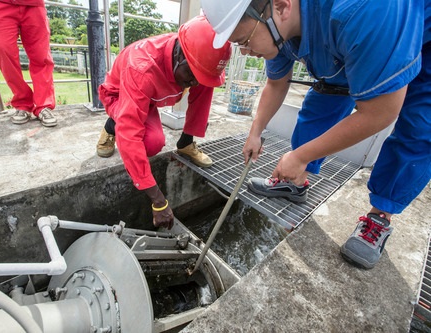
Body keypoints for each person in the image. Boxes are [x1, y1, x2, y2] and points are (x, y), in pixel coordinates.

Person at [201, 0, 431, 269]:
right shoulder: (279, 27)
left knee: (419, 127)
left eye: (244, 41)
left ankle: (380, 215)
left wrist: (300, 155)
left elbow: (380, 112)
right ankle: (296, 182)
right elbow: (276, 84)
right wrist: (255, 132)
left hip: (417, 36)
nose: (246, 52)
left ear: (282, 7)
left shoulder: (365, 9)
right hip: (348, 38)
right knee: (321, 101)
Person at [96, 15, 232, 230]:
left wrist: (198, 78)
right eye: (191, 74)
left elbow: (200, 81)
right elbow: (130, 137)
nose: (193, 83)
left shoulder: (194, 55)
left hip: (146, 98)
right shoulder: (141, 68)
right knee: (151, 143)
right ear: (178, 54)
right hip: (121, 94)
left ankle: (186, 142)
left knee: (206, 82)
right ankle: (113, 124)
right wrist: (158, 201)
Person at [0, 0, 57, 127]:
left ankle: (43, 105)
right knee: (5, 51)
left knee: (41, 56)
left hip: (33, 4)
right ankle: (22, 102)